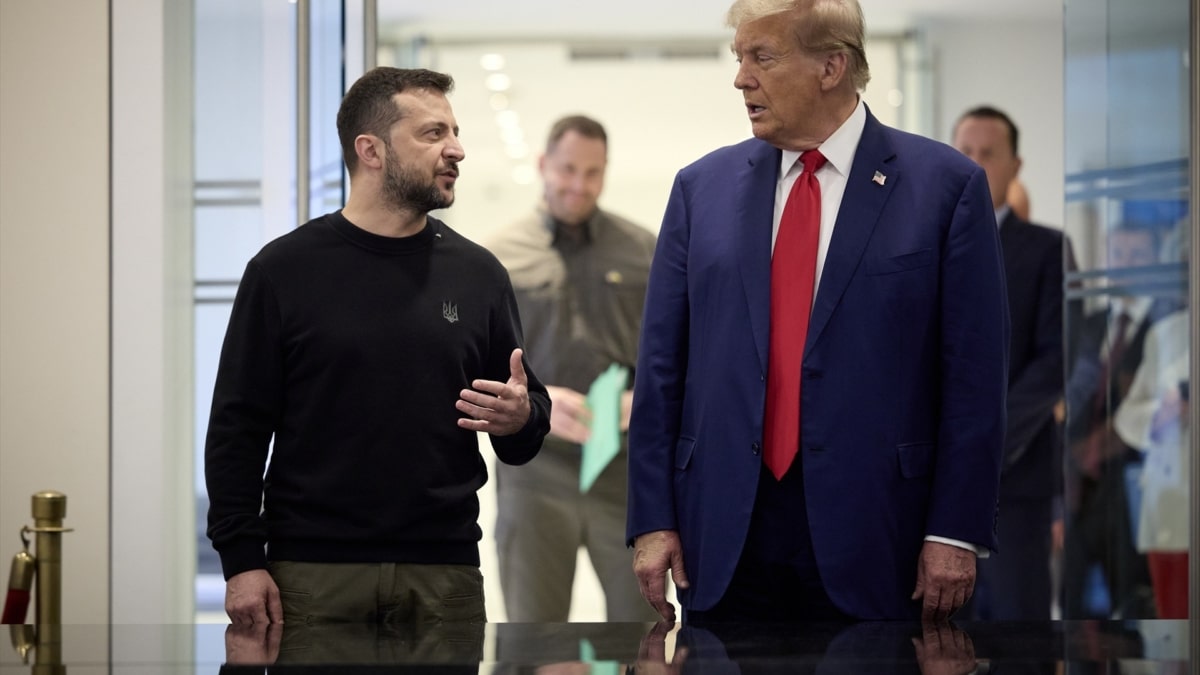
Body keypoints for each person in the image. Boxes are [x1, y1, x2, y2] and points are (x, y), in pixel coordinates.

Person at [627, 0, 1009, 623]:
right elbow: (661, 367)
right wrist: (652, 518)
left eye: (763, 57)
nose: (741, 78)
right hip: (722, 533)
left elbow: (975, 378)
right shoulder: (701, 190)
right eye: (740, 58)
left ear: (832, 65)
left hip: (883, 532)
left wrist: (955, 531)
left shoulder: (945, 187)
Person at [204, 67, 551, 625]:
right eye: (433, 133)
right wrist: (241, 560)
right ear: (371, 150)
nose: (456, 149)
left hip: (445, 578)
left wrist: (520, 418)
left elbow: (524, 422)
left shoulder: (479, 274)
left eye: (455, 132)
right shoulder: (283, 271)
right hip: (312, 577)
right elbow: (236, 429)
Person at [486, 115, 659, 622]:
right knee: (533, 629)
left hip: (627, 468)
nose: (578, 185)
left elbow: (678, 350)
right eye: (567, 169)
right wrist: (537, 402)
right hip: (534, 465)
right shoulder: (499, 256)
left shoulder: (644, 249)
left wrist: (641, 401)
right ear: (544, 165)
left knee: (641, 631)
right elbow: (475, 360)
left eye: (592, 172)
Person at [951, 106, 1065, 620]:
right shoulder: (921, 248)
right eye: (964, 154)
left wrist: (987, 437)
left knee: (1018, 634)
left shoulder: (1046, 250)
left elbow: (1057, 358)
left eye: (988, 155)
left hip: (1014, 487)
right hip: (933, 491)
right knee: (936, 642)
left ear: (1014, 166)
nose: (974, 166)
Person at [1062, 221, 1172, 619]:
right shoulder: (1089, 325)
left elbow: (1160, 410)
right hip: (1079, 492)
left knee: (1132, 615)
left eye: (1137, 255)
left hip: (1134, 491)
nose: (1125, 265)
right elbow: (1071, 397)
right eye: (1118, 255)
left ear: (1157, 261)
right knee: (1072, 615)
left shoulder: (1169, 326)